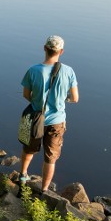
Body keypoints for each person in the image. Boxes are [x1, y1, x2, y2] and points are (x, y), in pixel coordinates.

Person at [19, 35, 79, 192]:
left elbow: (26, 94)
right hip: (57, 122)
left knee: (29, 149)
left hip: (36, 118)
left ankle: (23, 175)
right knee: (50, 158)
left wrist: (37, 101)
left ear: (44, 48)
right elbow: (75, 98)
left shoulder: (33, 70)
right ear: (61, 51)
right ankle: (44, 190)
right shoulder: (68, 71)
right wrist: (63, 99)